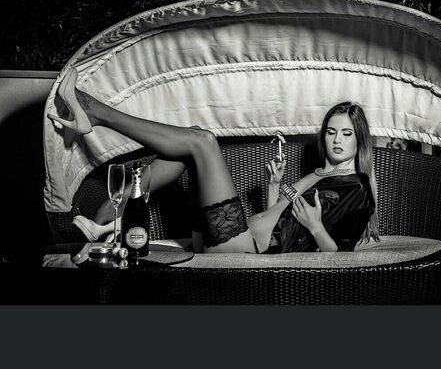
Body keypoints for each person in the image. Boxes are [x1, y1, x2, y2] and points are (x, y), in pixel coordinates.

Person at [49, 70, 378, 253]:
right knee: (192, 141)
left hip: (246, 251)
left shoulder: (358, 187)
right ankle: (105, 217)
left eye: (346, 134)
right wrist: (276, 185)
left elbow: (341, 256)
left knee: (202, 141)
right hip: (232, 237)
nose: (337, 140)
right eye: (331, 132)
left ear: (359, 139)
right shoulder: (316, 174)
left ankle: (94, 112)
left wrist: (317, 227)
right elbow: (275, 218)